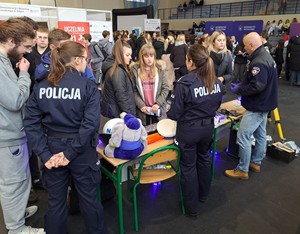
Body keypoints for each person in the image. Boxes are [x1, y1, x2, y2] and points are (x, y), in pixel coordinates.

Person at [24, 41, 105, 234]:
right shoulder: (87, 86)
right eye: (85, 59)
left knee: (56, 203)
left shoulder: (41, 86)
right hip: (81, 151)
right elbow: (90, 124)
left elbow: (31, 123)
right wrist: (70, 153)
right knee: (89, 201)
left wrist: (45, 154)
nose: (86, 63)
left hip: (51, 149)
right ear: (77, 60)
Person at [167, 44, 224, 218]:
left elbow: (174, 113)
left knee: (188, 168)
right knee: (205, 160)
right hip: (207, 128)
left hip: (188, 132)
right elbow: (217, 103)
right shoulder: (214, 81)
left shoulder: (185, 82)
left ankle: (191, 208)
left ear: (191, 61)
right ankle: (203, 195)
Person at [0, 18, 45, 234]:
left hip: (11, 134)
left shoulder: (4, 61)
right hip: (7, 137)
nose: (27, 52)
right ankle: (16, 228)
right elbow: (15, 100)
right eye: (26, 47)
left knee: (19, 181)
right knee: (13, 184)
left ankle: (16, 214)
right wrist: (25, 75)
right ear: (11, 41)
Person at [225, 32, 278, 179]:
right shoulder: (266, 56)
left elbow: (258, 86)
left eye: (246, 45)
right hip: (266, 104)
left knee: (243, 135)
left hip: (257, 105)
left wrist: (239, 90)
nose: (244, 48)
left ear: (252, 45)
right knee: (260, 134)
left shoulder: (259, 61)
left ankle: (242, 169)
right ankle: (255, 162)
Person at [131, 44, 170, 126]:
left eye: (151, 56)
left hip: (157, 109)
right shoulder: (135, 71)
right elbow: (133, 90)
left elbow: (165, 88)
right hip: (143, 111)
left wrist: (158, 103)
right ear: (142, 57)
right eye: (146, 56)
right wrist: (141, 105)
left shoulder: (159, 70)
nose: (149, 59)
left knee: (158, 133)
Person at [101, 38, 135, 127]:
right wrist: (131, 117)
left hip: (113, 113)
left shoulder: (114, 68)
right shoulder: (117, 71)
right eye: (127, 55)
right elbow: (122, 96)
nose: (130, 58)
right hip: (118, 115)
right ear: (119, 54)